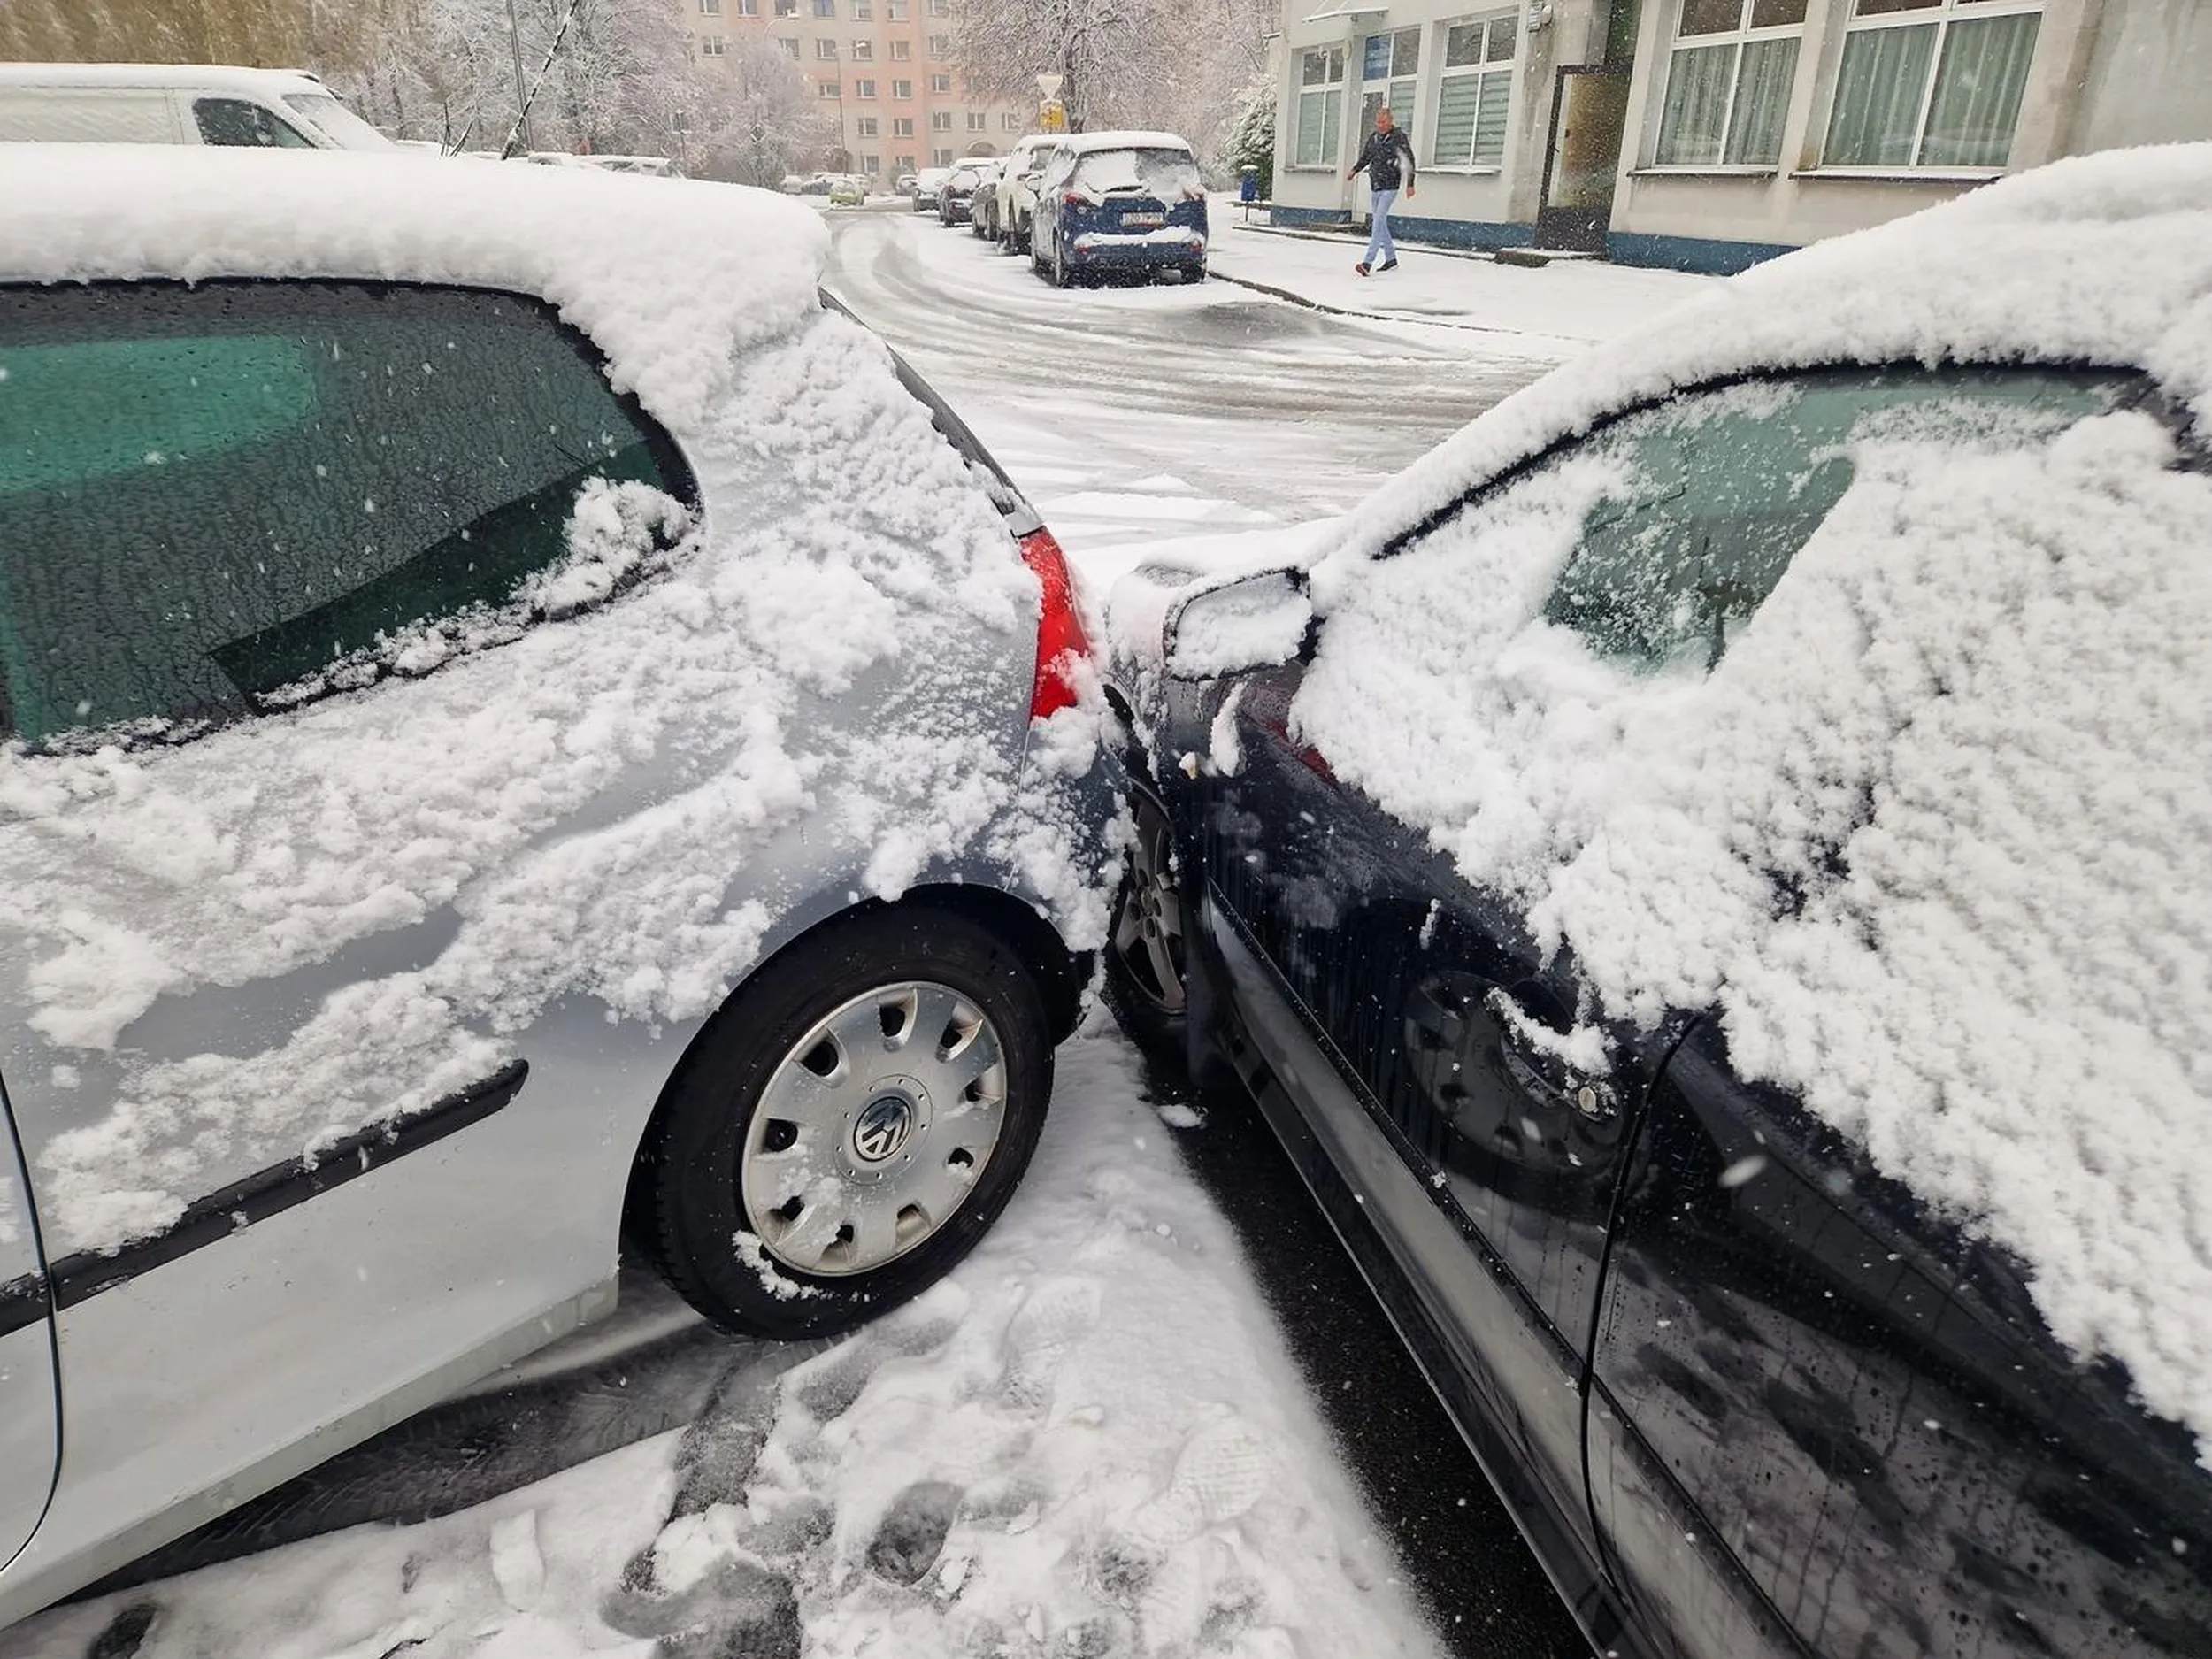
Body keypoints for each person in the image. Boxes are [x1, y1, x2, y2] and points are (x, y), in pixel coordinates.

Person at [1346, 106, 1416, 276]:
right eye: (1378, 122)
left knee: (1376, 223)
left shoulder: (1399, 138)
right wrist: (1355, 170)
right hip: (1375, 185)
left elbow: (1408, 160)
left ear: (1391, 121)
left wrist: (1410, 184)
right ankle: (1391, 259)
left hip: (1390, 186)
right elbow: (1366, 157)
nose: (1381, 125)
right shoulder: (1374, 138)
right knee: (1381, 222)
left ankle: (1368, 263)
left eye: (1384, 122)